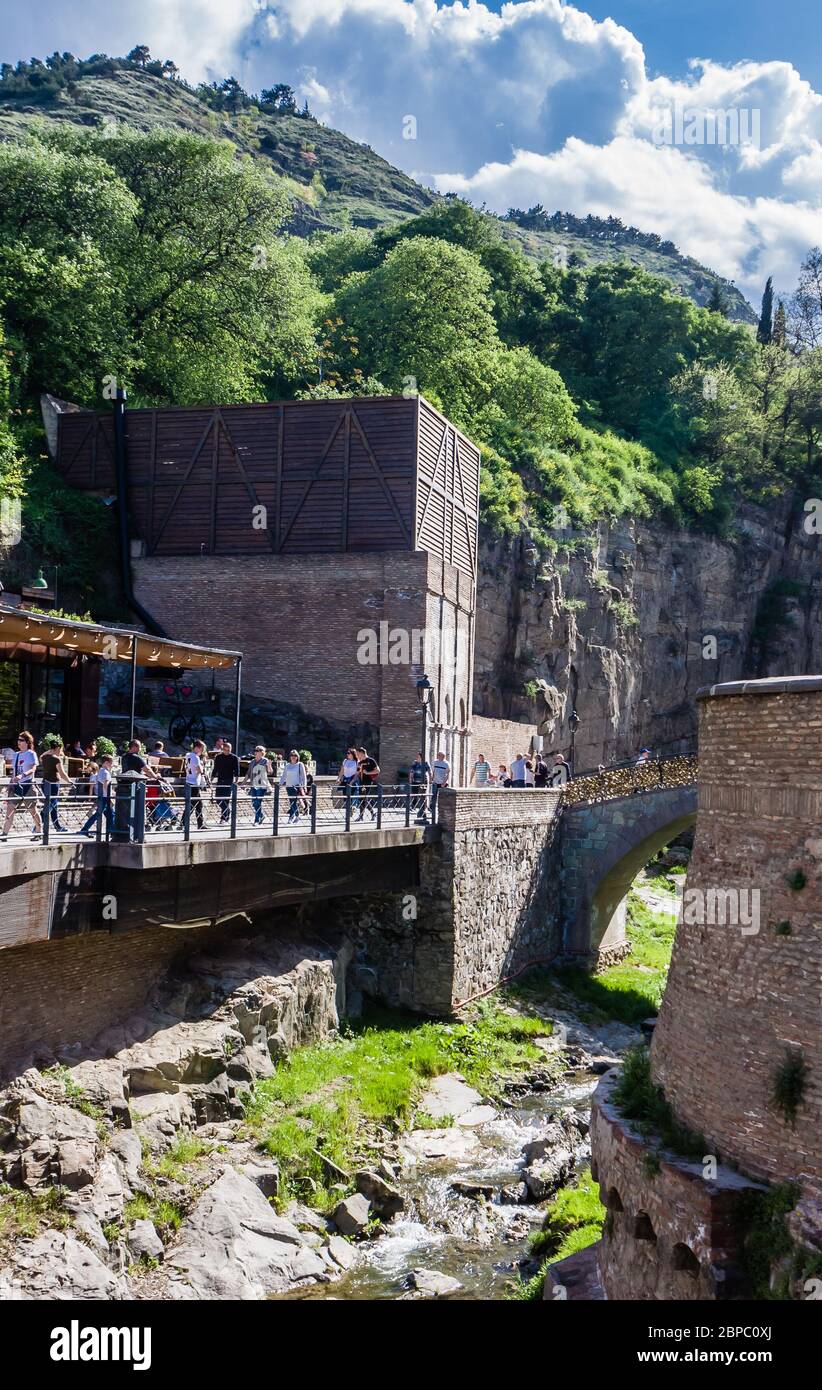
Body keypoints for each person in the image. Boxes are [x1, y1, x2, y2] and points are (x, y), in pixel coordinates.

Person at [1, 732, 42, 840]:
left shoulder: (31, 754)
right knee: (10, 809)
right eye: (18, 740)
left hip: (28, 784)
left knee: (33, 811)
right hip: (16, 786)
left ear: (27, 742)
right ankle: (4, 834)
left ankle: (39, 832)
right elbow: (14, 770)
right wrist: (11, 782)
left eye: (21, 740)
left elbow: (33, 769)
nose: (18, 742)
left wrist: (22, 775)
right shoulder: (16, 754)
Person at [40, 738, 71, 834]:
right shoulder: (56, 759)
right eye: (60, 749)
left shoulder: (44, 757)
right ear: (57, 748)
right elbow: (62, 773)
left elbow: (41, 756)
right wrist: (70, 781)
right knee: (52, 804)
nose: (61, 752)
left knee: (54, 805)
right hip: (53, 784)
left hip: (44, 783)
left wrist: (50, 750)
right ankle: (42, 817)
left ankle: (57, 826)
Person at [80, 756, 114, 838]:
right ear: (106, 763)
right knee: (102, 814)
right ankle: (85, 829)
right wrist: (110, 798)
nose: (112, 765)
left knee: (110, 814)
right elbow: (105, 785)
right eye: (111, 763)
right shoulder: (106, 772)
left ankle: (111, 831)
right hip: (105, 796)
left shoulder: (100, 771)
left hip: (101, 795)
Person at [212, 740, 240, 824]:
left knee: (226, 799)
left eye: (229, 750)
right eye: (226, 749)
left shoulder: (234, 757)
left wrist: (236, 781)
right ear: (223, 749)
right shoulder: (218, 757)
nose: (227, 751)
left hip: (229, 780)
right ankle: (227, 811)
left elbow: (237, 770)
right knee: (218, 799)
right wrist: (211, 779)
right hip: (220, 779)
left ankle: (223, 818)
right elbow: (215, 769)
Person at [245, 746, 273, 825]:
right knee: (254, 803)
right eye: (255, 750)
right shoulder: (252, 762)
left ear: (262, 752)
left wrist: (269, 765)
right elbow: (248, 773)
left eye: (257, 750)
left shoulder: (265, 761)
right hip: (253, 785)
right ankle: (261, 815)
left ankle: (257, 820)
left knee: (258, 802)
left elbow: (270, 772)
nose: (255, 752)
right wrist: (243, 783)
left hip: (262, 785)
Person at [184, 740, 207, 830]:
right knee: (193, 805)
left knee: (197, 805)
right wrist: (202, 765)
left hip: (188, 781)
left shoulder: (188, 755)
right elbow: (200, 770)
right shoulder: (196, 757)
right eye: (202, 749)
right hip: (194, 783)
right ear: (197, 747)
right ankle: (183, 823)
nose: (202, 751)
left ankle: (200, 824)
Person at [280, 748, 307, 824]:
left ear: (297, 757)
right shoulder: (287, 765)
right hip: (288, 786)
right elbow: (284, 776)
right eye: (292, 755)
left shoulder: (300, 765)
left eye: (295, 755)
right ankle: (296, 816)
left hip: (296, 786)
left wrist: (304, 786)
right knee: (292, 802)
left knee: (293, 802)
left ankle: (292, 817)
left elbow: (303, 776)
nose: (293, 757)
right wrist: (280, 784)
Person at [357, 748, 380, 821]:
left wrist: (367, 773)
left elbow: (378, 770)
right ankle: (368, 814)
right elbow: (358, 773)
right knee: (362, 799)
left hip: (367, 782)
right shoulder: (360, 762)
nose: (357, 755)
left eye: (358, 754)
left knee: (364, 798)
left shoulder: (371, 760)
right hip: (361, 782)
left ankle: (363, 816)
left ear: (362, 753)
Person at [408, 751, 431, 820]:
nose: (417, 757)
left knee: (423, 795)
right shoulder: (415, 763)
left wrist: (430, 779)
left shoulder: (426, 763)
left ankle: (424, 808)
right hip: (415, 781)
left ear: (421, 757)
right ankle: (413, 806)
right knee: (414, 794)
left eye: (418, 756)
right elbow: (411, 771)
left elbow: (429, 771)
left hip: (423, 782)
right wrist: (410, 779)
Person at [337, 747, 361, 813]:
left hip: (353, 780)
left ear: (353, 754)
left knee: (352, 796)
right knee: (345, 796)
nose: (347, 754)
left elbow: (357, 773)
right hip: (345, 780)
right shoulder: (345, 761)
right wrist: (339, 778)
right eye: (347, 753)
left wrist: (352, 781)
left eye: (349, 753)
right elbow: (342, 770)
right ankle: (350, 809)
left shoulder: (357, 762)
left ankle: (352, 809)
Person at [430, 749, 450, 817]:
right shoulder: (435, 762)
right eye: (438, 755)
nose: (438, 756)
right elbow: (433, 771)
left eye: (439, 755)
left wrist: (444, 782)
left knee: (442, 797)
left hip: (442, 783)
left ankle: (442, 809)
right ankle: (432, 809)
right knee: (434, 795)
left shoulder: (446, 764)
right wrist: (431, 779)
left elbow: (447, 774)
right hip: (435, 782)